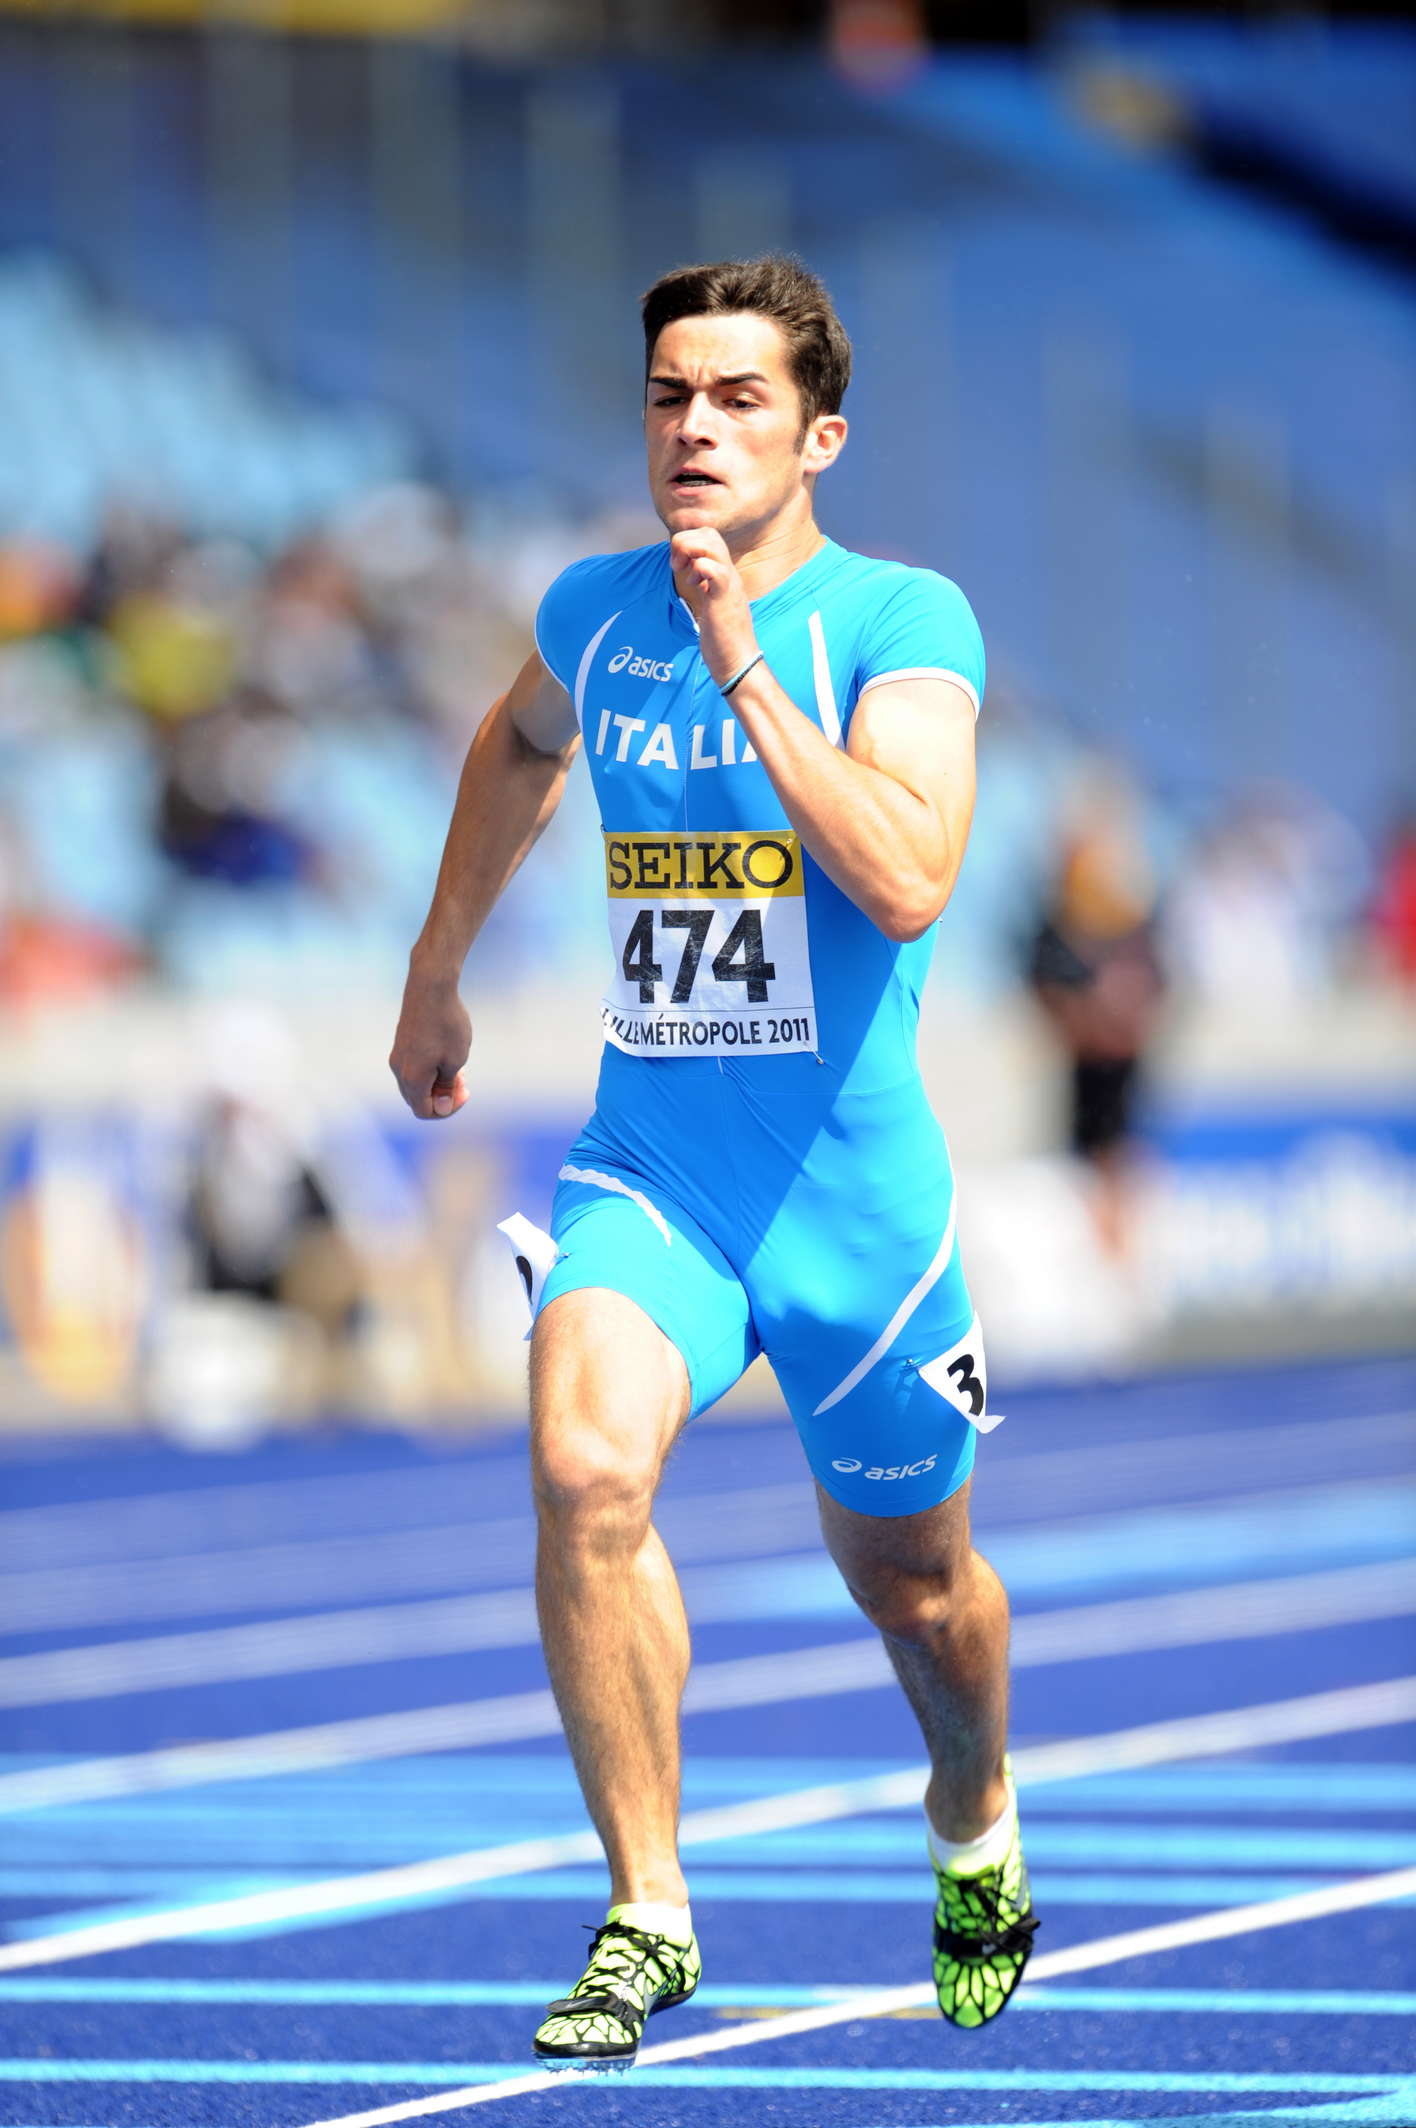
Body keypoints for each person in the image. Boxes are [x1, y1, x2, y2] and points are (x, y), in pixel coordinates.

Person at [390, 254, 1036, 2067]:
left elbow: (906, 876)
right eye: (670, 394)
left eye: (740, 398)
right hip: (654, 1171)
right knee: (583, 1468)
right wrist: (437, 966)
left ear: (820, 437)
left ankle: (974, 1813)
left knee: (917, 1590)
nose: (694, 426)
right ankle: (648, 1912)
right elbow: (518, 742)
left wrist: (744, 658)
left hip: (854, 1214)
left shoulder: (903, 621)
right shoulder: (595, 611)